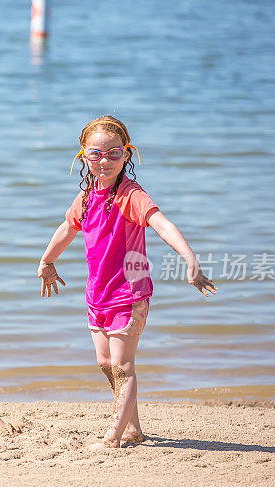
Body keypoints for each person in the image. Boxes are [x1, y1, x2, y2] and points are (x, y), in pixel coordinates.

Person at [37, 116, 217, 449]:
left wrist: (190, 259)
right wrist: (48, 260)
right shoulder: (87, 197)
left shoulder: (131, 195)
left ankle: (113, 438)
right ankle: (132, 428)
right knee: (106, 364)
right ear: (83, 157)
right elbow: (66, 229)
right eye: (95, 154)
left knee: (123, 365)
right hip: (97, 295)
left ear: (126, 155)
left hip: (129, 294)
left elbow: (162, 224)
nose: (104, 161)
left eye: (114, 153)